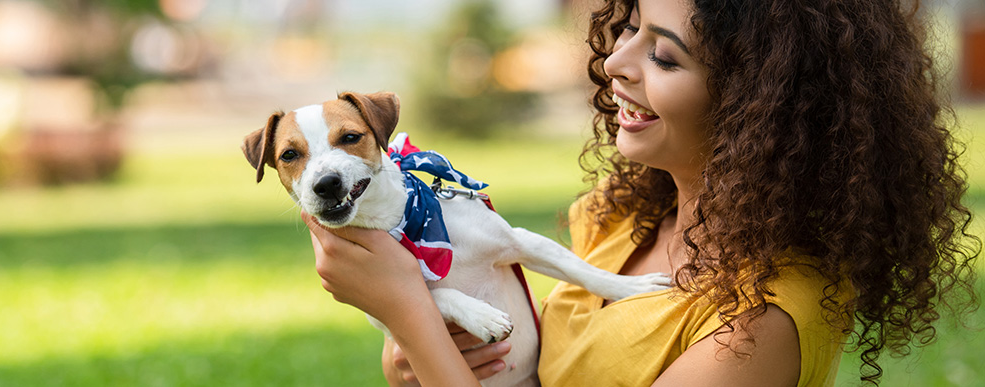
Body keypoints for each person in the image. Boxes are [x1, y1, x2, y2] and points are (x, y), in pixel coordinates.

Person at [302, 0, 980, 385]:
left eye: (663, 56)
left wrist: (408, 312)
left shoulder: (764, 320)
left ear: (762, 106)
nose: (615, 61)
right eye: (628, 28)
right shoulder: (617, 217)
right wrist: (415, 355)